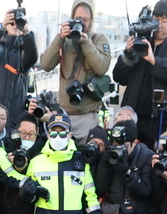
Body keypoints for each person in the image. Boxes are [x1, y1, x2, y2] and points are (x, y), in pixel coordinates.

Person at [113, 0, 167, 146]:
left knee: (150, 157)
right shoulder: (141, 41)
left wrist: (153, 60)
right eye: (157, 19)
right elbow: (118, 77)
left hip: (156, 118)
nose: (160, 24)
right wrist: (128, 54)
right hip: (131, 114)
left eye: (164, 20)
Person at [38, 2, 113, 139]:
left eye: (85, 20)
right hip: (63, 114)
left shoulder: (99, 39)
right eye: (78, 19)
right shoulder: (64, 39)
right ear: (71, 17)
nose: (81, 23)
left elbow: (102, 67)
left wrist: (86, 43)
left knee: (86, 157)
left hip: (87, 116)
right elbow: (45, 65)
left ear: (91, 21)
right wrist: (59, 38)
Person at [0, 9, 37, 131]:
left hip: (16, 116)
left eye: (18, 23)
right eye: (11, 23)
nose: (15, 26)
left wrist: (27, 33)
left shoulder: (24, 50)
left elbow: (32, 58)